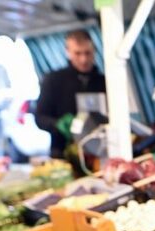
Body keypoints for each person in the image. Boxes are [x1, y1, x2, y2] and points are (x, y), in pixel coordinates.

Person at [36, 30, 106, 158]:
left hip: (100, 152)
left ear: (94, 51)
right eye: (77, 53)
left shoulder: (104, 82)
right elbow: (40, 117)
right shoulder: (53, 80)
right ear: (68, 52)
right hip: (63, 153)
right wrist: (57, 124)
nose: (83, 59)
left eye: (87, 53)